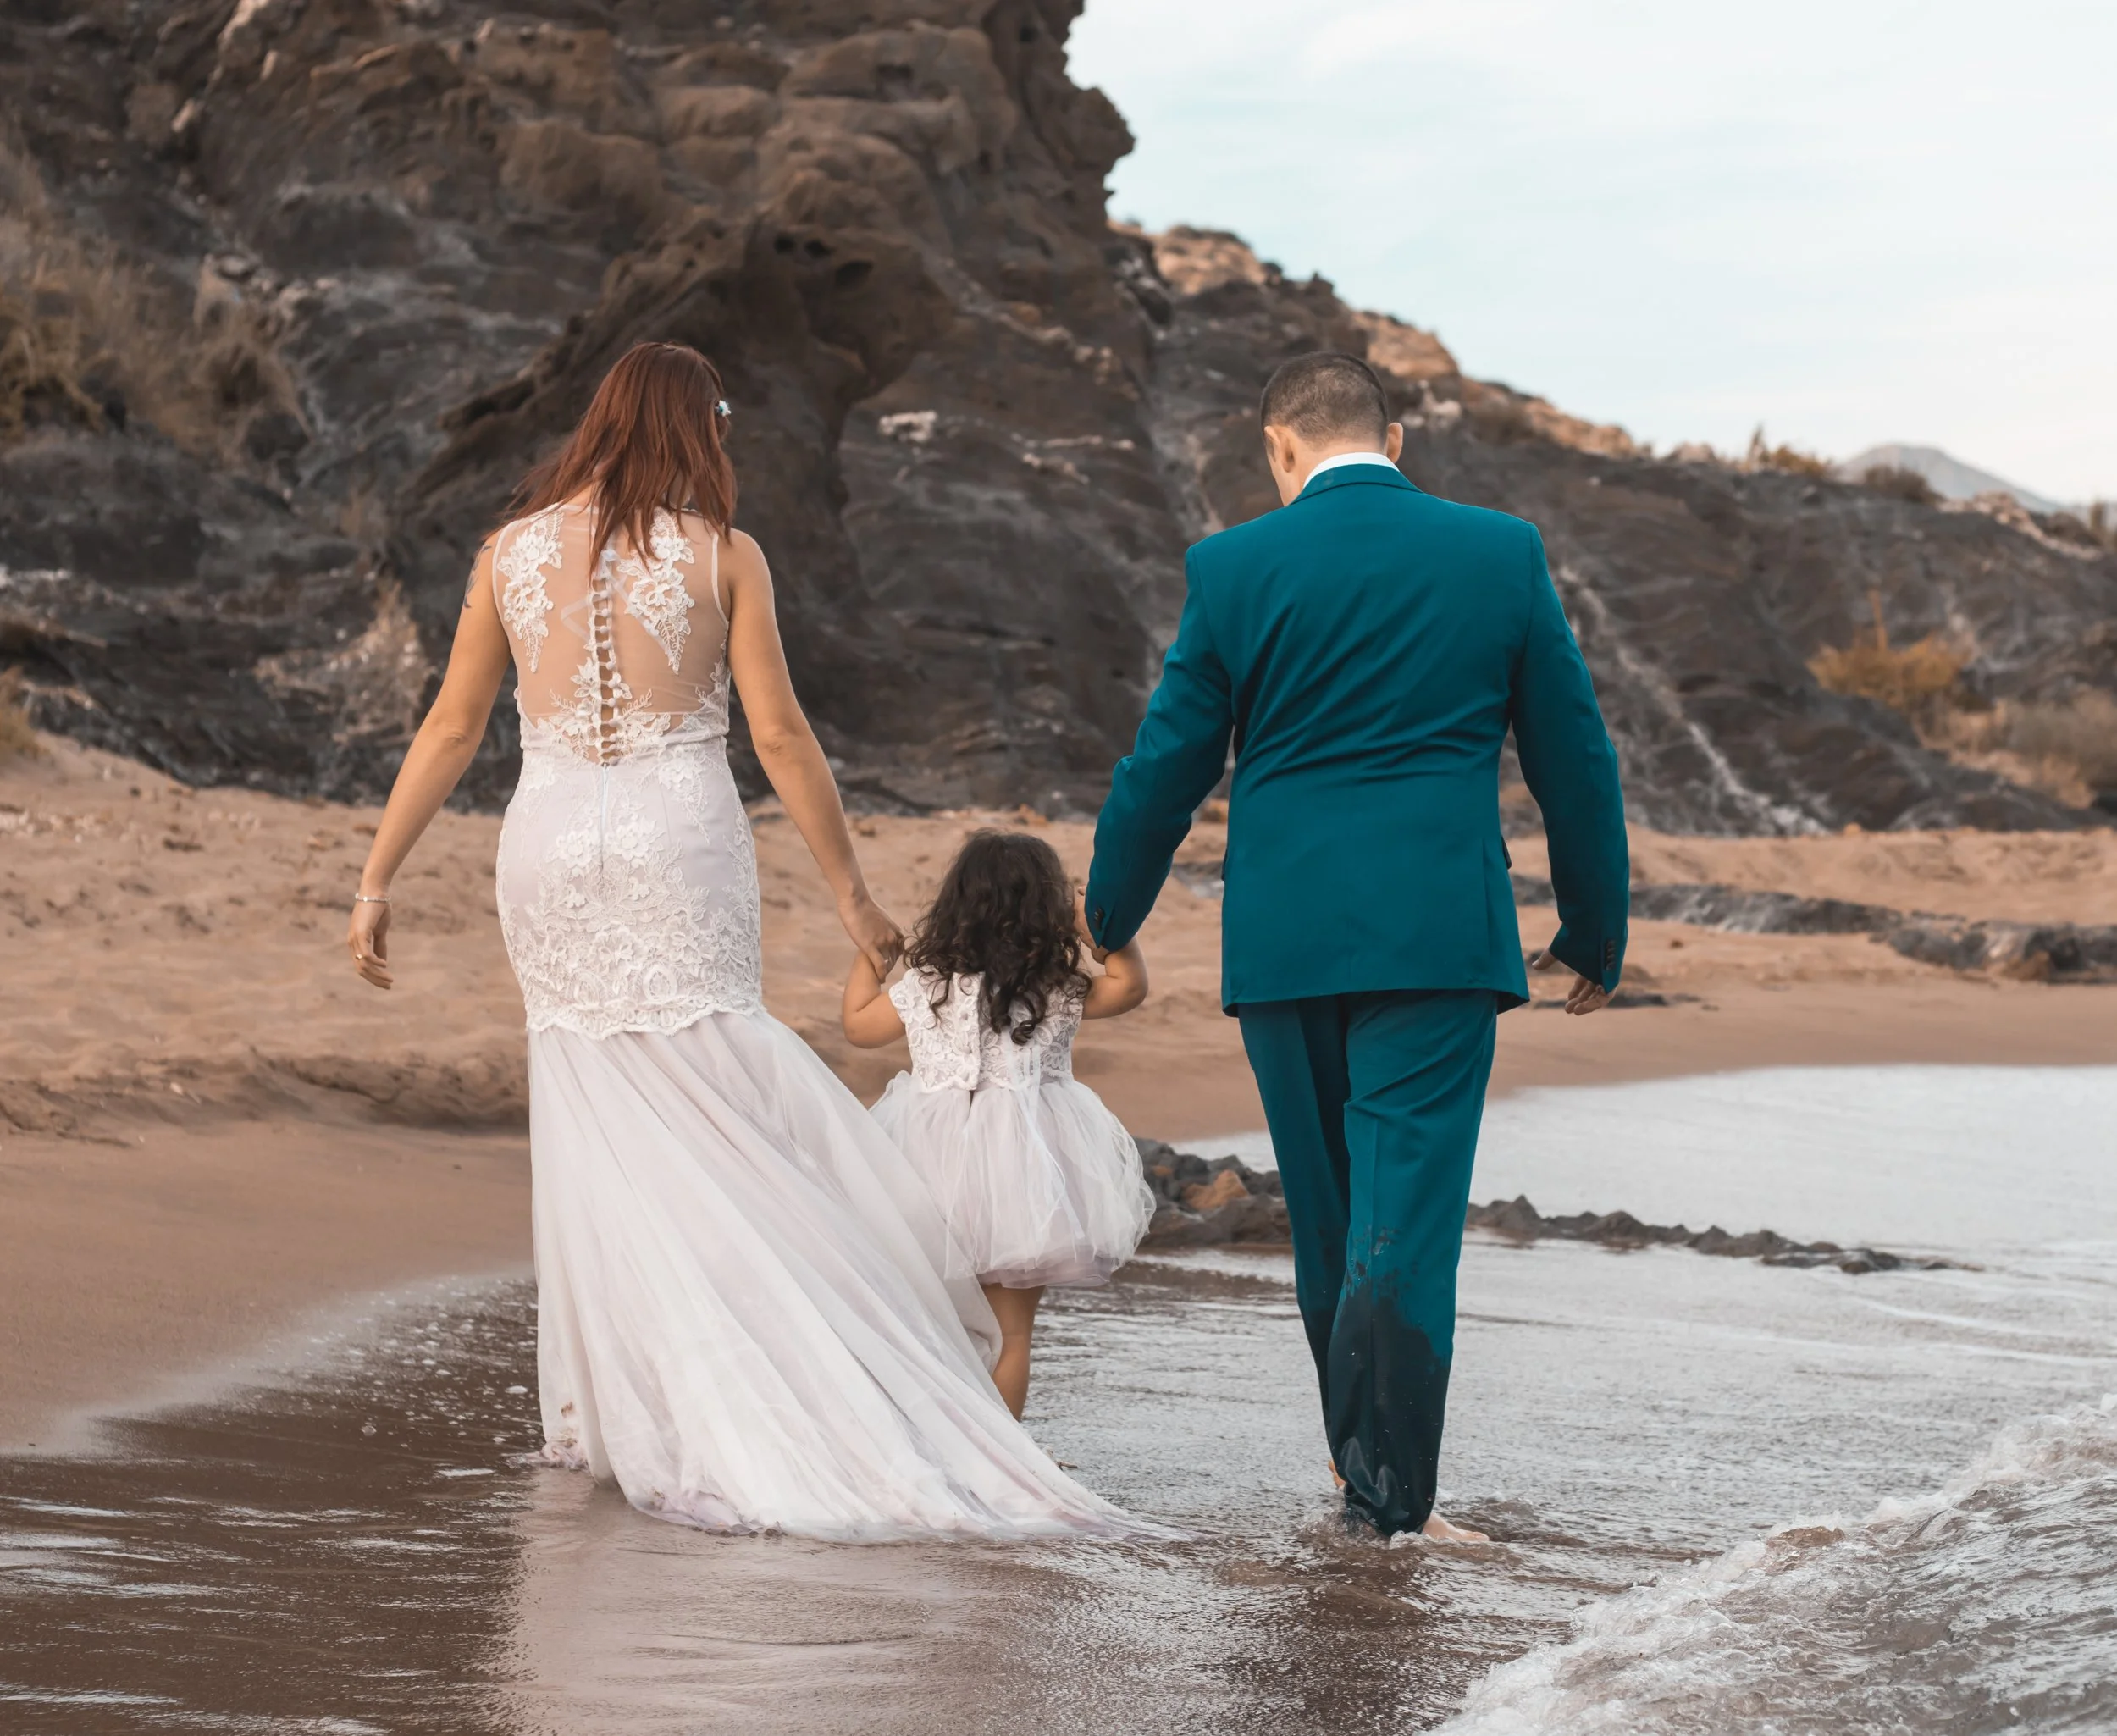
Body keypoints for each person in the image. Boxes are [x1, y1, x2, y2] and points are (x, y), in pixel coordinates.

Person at [345, 340, 1130, 1542]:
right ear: (692, 430)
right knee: (725, 1100)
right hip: (677, 838)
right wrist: (854, 896)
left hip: (549, 845)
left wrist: (375, 875)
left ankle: (624, 1409)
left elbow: (452, 727)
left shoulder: (509, 554)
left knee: (599, 1118)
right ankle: (788, 1381)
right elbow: (779, 731)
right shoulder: (721, 554)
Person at [1082, 352, 1629, 1542]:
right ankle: (1392, 1502)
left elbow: (1163, 762)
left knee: (1330, 1223)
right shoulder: (1500, 551)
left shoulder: (1232, 567)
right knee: (1405, 1224)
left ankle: (1360, 1476)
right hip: (1437, 933)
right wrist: (1592, 927)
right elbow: (1574, 754)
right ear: (1398, 438)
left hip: (1284, 937)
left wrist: (1104, 917)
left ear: (1277, 448)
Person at [842, 829, 1157, 1419]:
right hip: (1025, 1178)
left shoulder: (928, 985)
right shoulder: (1056, 987)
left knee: (937, 1322)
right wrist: (1100, 932)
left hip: (927, 1167)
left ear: (956, 902)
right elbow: (1131, 987)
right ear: (1048, 909)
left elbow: (858, 1026)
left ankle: (945, 1444)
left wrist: (869, 957)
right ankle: (1008, 1458)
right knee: (1011, 1334)